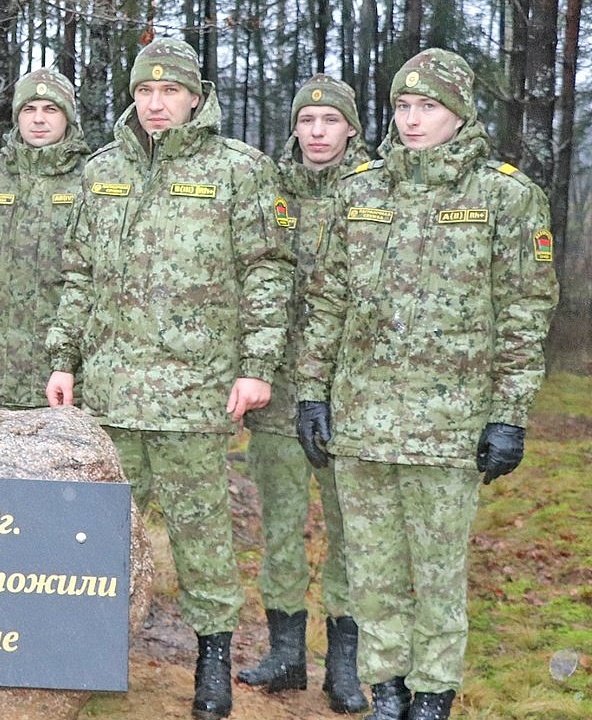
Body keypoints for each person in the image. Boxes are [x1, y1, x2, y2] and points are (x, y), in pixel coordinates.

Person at [295, 49, 558, 720]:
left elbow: (526, 313)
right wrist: (311, 392)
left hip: (451, 426)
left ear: (460, 112)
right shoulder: (360, 192)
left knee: (438, 574)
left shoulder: (505, 196)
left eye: (429, 107)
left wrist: (510, 414)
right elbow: (327, 301)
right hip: (363, 420)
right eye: (403, 107)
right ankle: (387, 690)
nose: (413, 120)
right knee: (373, 572)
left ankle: (433, 693)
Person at [45, 38, 293, 720]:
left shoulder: (239, 170)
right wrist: (64, 359)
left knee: (203, 535)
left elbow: (268, 272)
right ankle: (89, 660)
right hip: (113, 394)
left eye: (169, 93)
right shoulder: (102, 172)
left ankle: (211, 662)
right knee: (99, 535)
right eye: (144, 92)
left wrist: (256, 367)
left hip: (195, 394)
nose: (155, 104)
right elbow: (78, 274)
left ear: (194, 97)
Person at [237, 74, 370, 714]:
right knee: (282, 523)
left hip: (355, 390)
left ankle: (344, 665)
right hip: (279, 384)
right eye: (306, 120)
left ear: (351, 127)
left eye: (330, 121)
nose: (317, 132)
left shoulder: (377, 189)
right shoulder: (268, 187)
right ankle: (286, 653)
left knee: (350, 531)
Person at [0, 68, 89, 407]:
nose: (38, 119)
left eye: (50, 109)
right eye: (29, 109)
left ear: (67, 116)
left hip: (68, 379)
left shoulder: (93, 180)